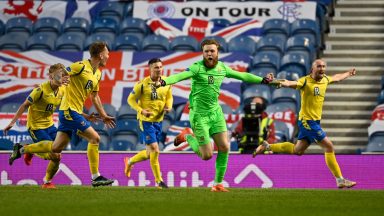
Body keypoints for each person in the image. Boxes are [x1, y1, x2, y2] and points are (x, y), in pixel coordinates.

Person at [155, 39, 276, 192]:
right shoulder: (196, 68)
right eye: (206, 51)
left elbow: (243, 76)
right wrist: (164, 81)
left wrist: (263, 80)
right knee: (207, 155)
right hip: (199, 116)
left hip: (216, 113)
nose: (209, 54)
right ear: (203, 53)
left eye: (212, 51)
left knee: (225, 147)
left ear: (217, 52)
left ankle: (217, 184)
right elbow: (180, 76)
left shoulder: (222, 68)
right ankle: (187, 136)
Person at [9, 41, 116, 187]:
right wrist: (57, 81)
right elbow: (61, 72)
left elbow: (94, 97)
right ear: (101, 54)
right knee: (95, 138)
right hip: (69, 111)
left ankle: (22, 149)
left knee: (55, 149)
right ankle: (95, 177)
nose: (109, 56)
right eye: (107, 53)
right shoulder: (81, 66)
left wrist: (103, 115)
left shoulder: (98, 73)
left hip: (74, 112)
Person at [253, 59, 357, 189]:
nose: (322, 69)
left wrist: (348, 73)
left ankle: (267, 147)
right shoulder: (305, 81)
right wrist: (275, 81)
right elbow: (289, 83)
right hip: (307, 121)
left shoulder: (325, 79)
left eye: (324, 66)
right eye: (319, 66)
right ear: (312, 68)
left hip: (315, 121)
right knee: (329, 147)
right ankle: (340, 180)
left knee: (298, 150)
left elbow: (337, 78)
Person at [4, 63, 69, 189]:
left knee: (57, 155)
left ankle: (47, 182)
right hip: (36, 127)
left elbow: (70, 105)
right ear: (51, 76)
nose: (62, 77)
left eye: (63, 75)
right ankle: (23, 150)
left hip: (50, 125)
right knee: (52, 151)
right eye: (59, 75)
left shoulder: (63, 89)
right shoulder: (40, 90)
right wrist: (12, 123)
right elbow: (24, 105)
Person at [124, 58, 172, 189]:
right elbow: (130, 100)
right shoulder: (142, 84)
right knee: (156, 150)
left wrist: (169, 105)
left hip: (159, 121)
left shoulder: (166, 82)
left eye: (161, 67)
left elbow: (169, 96)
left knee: (149, 153)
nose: (159, 69)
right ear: (150, 69)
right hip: (146, 122)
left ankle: (130, 161)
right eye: (156, 67)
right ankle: (159, 181)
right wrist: (141, 110)